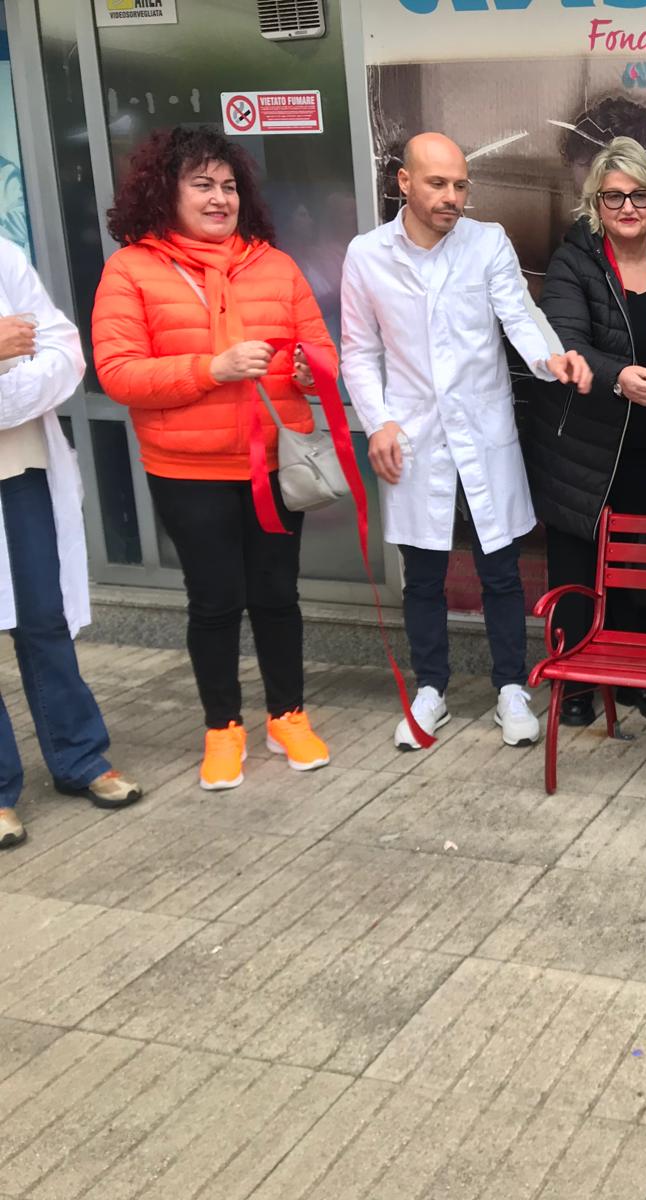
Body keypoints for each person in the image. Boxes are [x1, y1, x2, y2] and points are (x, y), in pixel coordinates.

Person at [92, 126, 336, 791]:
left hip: (275, 466)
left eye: (228, 186)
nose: (219, 197)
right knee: (216, 600)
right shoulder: (131, 268)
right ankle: (222, 728)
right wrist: (212, 367)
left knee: (278, 596)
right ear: (164, 191)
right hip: (187, 468)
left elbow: (322, 351)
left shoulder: (274, 265)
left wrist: (312, 371)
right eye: (202, 184)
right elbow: (118, 372)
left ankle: (287, 715)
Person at [341, 132, 591, 751]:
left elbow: (518, 316)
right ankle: (432, 689)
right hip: (413, 434)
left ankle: (511, 687)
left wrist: (552, 358)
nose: (452, 197)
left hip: (483, 430)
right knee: (421, 575)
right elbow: (358, 351)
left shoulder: (487, 243)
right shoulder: (368, 254)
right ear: (404, 181)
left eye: (460, 185)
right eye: (437, 184)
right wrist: (379, 422)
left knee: (499, 570)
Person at [525, 137, 646, 729]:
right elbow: (568, 340)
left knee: (640, 563)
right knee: (577, 562)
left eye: (638, 195)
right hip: (586, 443)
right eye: (613, 196)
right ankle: (573, 681)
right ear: (595, 204)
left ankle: (640, 678)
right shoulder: (574, 261)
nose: (627, 207)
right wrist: (617, 376)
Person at [0, 242, 143, 848]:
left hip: (20, 462)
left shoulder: (2, 256)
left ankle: (79, 756)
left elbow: (63, 351)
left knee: (42, 616)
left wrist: (9, 395)